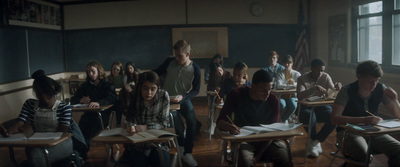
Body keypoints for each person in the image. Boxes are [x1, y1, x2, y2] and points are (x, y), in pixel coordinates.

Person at [331, 60, 400, 166]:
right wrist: (364, 120)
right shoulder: (346, 91)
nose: (374, 84)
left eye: (376, 80)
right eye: (370, 80)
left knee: (398, 149)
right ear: (359, 77)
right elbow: (334, 118)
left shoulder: (380, 88)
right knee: (363, 153)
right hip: (348, 132)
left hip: (373, 132)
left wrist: (395, 100)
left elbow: (398, 116)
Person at [216, 70, 290, 167]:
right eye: (263, 90)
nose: (267, 94)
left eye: (270, 89)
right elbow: (220, 122)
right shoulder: (237, 95)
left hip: (268, 141)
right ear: (253, 86)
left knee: (284, 155)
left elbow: (273, 132)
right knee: (244, 159)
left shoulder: (273, 100)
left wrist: (258, 156)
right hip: (243, 140)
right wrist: (229, 127)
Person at [9, 70, 73, 167]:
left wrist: (43, 142)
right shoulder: (29, 104)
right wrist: (13, 129)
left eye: (45, 93)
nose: (42, 96)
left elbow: (62, 133)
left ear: (52, 89)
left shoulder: (64, 107)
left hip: (60, 143)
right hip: (37, 144)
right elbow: (20, 122)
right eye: (39, 94)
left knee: (37, 156)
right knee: (34, 154)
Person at [153, 40, 201, 166]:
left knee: (192, 123)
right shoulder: (170, 62)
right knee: (177, 126)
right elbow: (156, 72)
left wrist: (184, 96)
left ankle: (188, 153)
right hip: (167, 99)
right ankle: (181, 147)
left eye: (180, 56)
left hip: (183, 99)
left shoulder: (195, 69)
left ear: (188, 54)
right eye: (176, 55)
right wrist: (142, 75)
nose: (177, 58)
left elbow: (196, 90)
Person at [123, 71, 171, 167]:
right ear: (140, 87)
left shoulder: (163, 96)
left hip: (158, 144)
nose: (149, 93)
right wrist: (131, 127)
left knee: (163, 162)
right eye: (145, 88)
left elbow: (165, 123)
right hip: (137, 145)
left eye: (153, 89)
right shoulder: (133, 96)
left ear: (158, 88)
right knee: (138, 162)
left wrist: (146, 127)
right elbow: (129, 120)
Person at [297, 58, 342, 157]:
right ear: (312, 68)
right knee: (310, 118)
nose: (320, 73)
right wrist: (314, 89)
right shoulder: (302, 78)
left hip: (322, 106)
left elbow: (331, 94)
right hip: (306, 106)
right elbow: (300, 96)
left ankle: (315, 141)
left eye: (322, 70)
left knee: (334, 117)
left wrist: (337, 89)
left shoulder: (325, 76)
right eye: (318, 70)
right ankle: (313, 141)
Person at [70, 61, 117, 148]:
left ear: (99, 71)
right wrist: (81, 99)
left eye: (93, 71)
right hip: (89, 114)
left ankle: (83, 151)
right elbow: (73, 99)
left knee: (89, 130)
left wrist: (99, 103)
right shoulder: (86, 85)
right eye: (88, 72)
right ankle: (80, 151)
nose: (91, 74)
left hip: (102, 115)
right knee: (80, 129)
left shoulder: (107, 84)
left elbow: (111, 98)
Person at [276, 55, 301, 122]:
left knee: (293, 106)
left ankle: (283, 119)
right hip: (282, 96)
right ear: (283, 64)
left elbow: (300, 85)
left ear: (292, 63)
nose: (287, 65)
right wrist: (291, 85)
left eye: (289, 63)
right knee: (282, 105)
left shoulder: (297, 74)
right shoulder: (280, 73)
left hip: (292, 96)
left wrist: (293, 84)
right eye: (285, 63)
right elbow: (278, 86)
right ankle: (286, 119)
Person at [106, 61, 125, 127]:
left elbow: (124, 88)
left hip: (120, 98)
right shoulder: (108, 78)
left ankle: (118, 124)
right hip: (110, 99)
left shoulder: (123, 77)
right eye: (114, 69)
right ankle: (106, 124)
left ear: (120, 70)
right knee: (107, 107)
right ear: (111, 69)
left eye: (117, 69)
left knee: (118, 105)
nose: (115, 71)